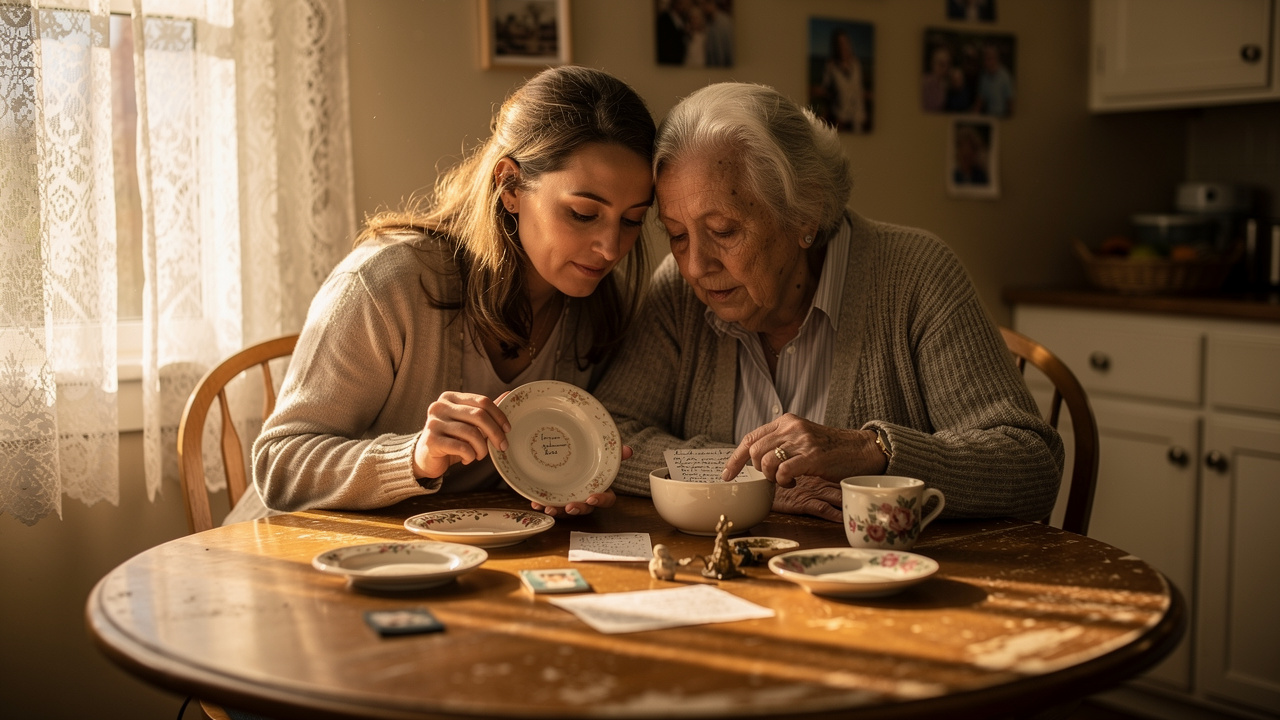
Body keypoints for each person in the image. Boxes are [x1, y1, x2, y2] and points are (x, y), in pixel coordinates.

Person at [595, 82, 1062, 524]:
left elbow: (1030, 462)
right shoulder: (680, 291)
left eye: (724, 231)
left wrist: (874, 451)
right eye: (676, 234)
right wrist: (747, 481)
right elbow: (606, 432)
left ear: (805, 212)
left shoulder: (914, 274)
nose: (695, 265)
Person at [234, 66, 656, 523]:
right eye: (583, 213)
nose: (611, 247)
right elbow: (279, 464)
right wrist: (414, 456)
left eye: (632, 219)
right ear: (510, 186)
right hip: (292, 556)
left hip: (456, 555)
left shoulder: (597, 307)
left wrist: (568, 482)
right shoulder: (384, 284)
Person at [818, 29, 868, 133]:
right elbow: (825, 90)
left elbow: (860, 87)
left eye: (845, 42)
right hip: (839, 118)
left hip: (858, 118)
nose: (843, 46)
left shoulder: (856, 64)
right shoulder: (830, 66)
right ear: (835, 46)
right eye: (839, 43)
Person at [975, 43, 1014, 117]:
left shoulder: (1005, 76)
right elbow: (980, 101)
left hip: (1002, 117)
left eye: (989, 58)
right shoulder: (984, 77)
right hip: (988, 117)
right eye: (985, 59)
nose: (986, 62)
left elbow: (1010, 103)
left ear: (996, 58)